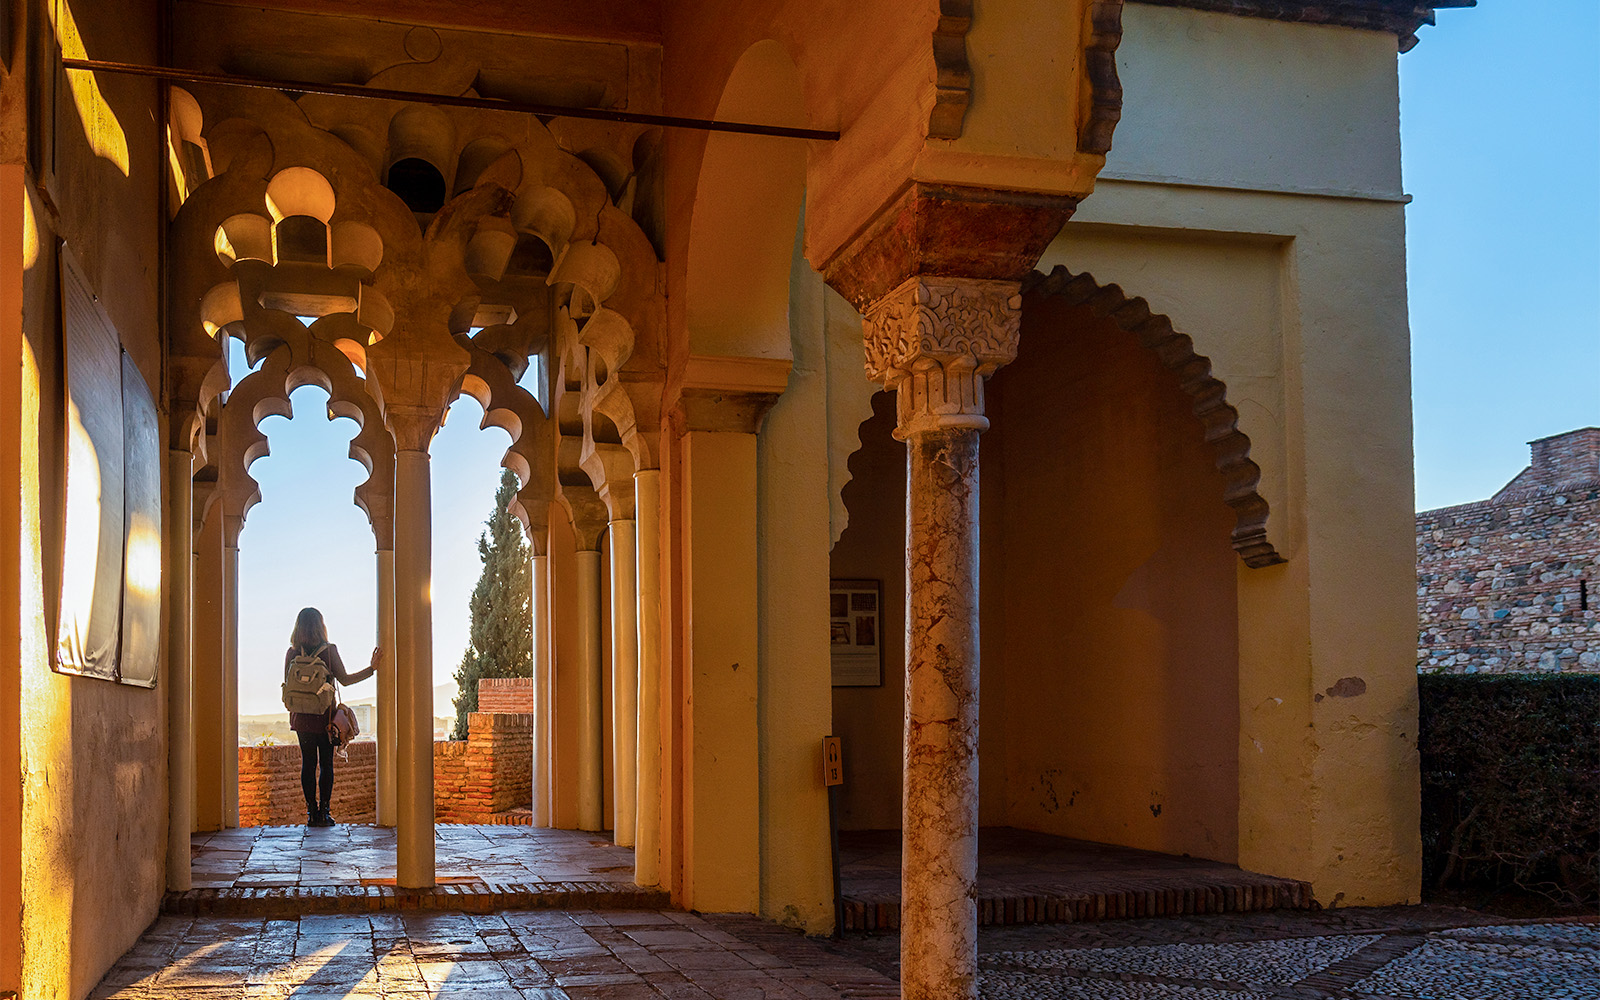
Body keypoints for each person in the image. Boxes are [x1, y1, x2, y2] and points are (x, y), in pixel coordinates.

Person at [285, 607, 381, 828]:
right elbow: (345, 680)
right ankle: (325, 813)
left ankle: (311, 813)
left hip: (301, 719)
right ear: (321, 626)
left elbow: (287, 688)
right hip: (325, 718)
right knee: (326, 764)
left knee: (307, 764)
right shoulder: (328, 651)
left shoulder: (292, 653)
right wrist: (372, 668)